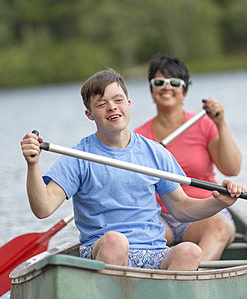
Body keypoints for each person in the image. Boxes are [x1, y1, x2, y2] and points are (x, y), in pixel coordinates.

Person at [21, 68, 245, 271]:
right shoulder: (78, 157)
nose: (112, 107)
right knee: (115, 241)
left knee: (190, 251)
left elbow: (182, 209)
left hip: (155, 253)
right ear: (89, 114)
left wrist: (219, 202)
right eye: (101, 104)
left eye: (118, 100)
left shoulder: (155, 152)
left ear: (128, 104)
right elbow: (43, 208)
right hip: (105, 250)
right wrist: (33, 165)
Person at [134, 55, 242, 262]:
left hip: (204, 213)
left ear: (184, 92)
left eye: (174, 83)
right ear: (151, 90)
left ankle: (195, 279)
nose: (166, 88)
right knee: (133, 234)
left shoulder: (204, 124)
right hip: (160, 216)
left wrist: (220, 123)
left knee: (219, 227)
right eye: (159, 83)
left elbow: (232, 168)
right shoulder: (139, 138)